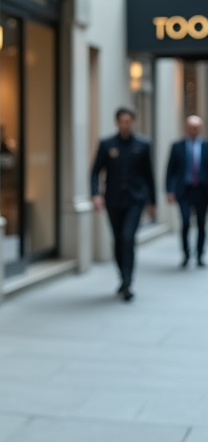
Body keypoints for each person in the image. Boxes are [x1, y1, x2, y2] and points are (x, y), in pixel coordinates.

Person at [90, 107, 156, 301]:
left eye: (129, 121)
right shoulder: (107, 144)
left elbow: (149, 175)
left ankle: (128, 282)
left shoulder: (143, 145)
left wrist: (152, 202)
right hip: (113, 199)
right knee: (118, 240)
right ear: (117, 123)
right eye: (122, 121)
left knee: (128, 238)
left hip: (135, 200)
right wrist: (96, 194)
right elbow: (95, 171)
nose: (126, 125)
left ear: (133, 122)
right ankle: (122, 274)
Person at [164, 115, 207, 268]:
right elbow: (170, 170)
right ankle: (186, 254)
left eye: (196, 128)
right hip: (184, 190)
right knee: (186, 221)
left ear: (200, 128)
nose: (193, 130)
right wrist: (169, 190)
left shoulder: (206, 146)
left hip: (202, 191)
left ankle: (200, 255)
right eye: (191, 127)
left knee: (201, 223)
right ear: (186, 128)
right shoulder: (177, 146)